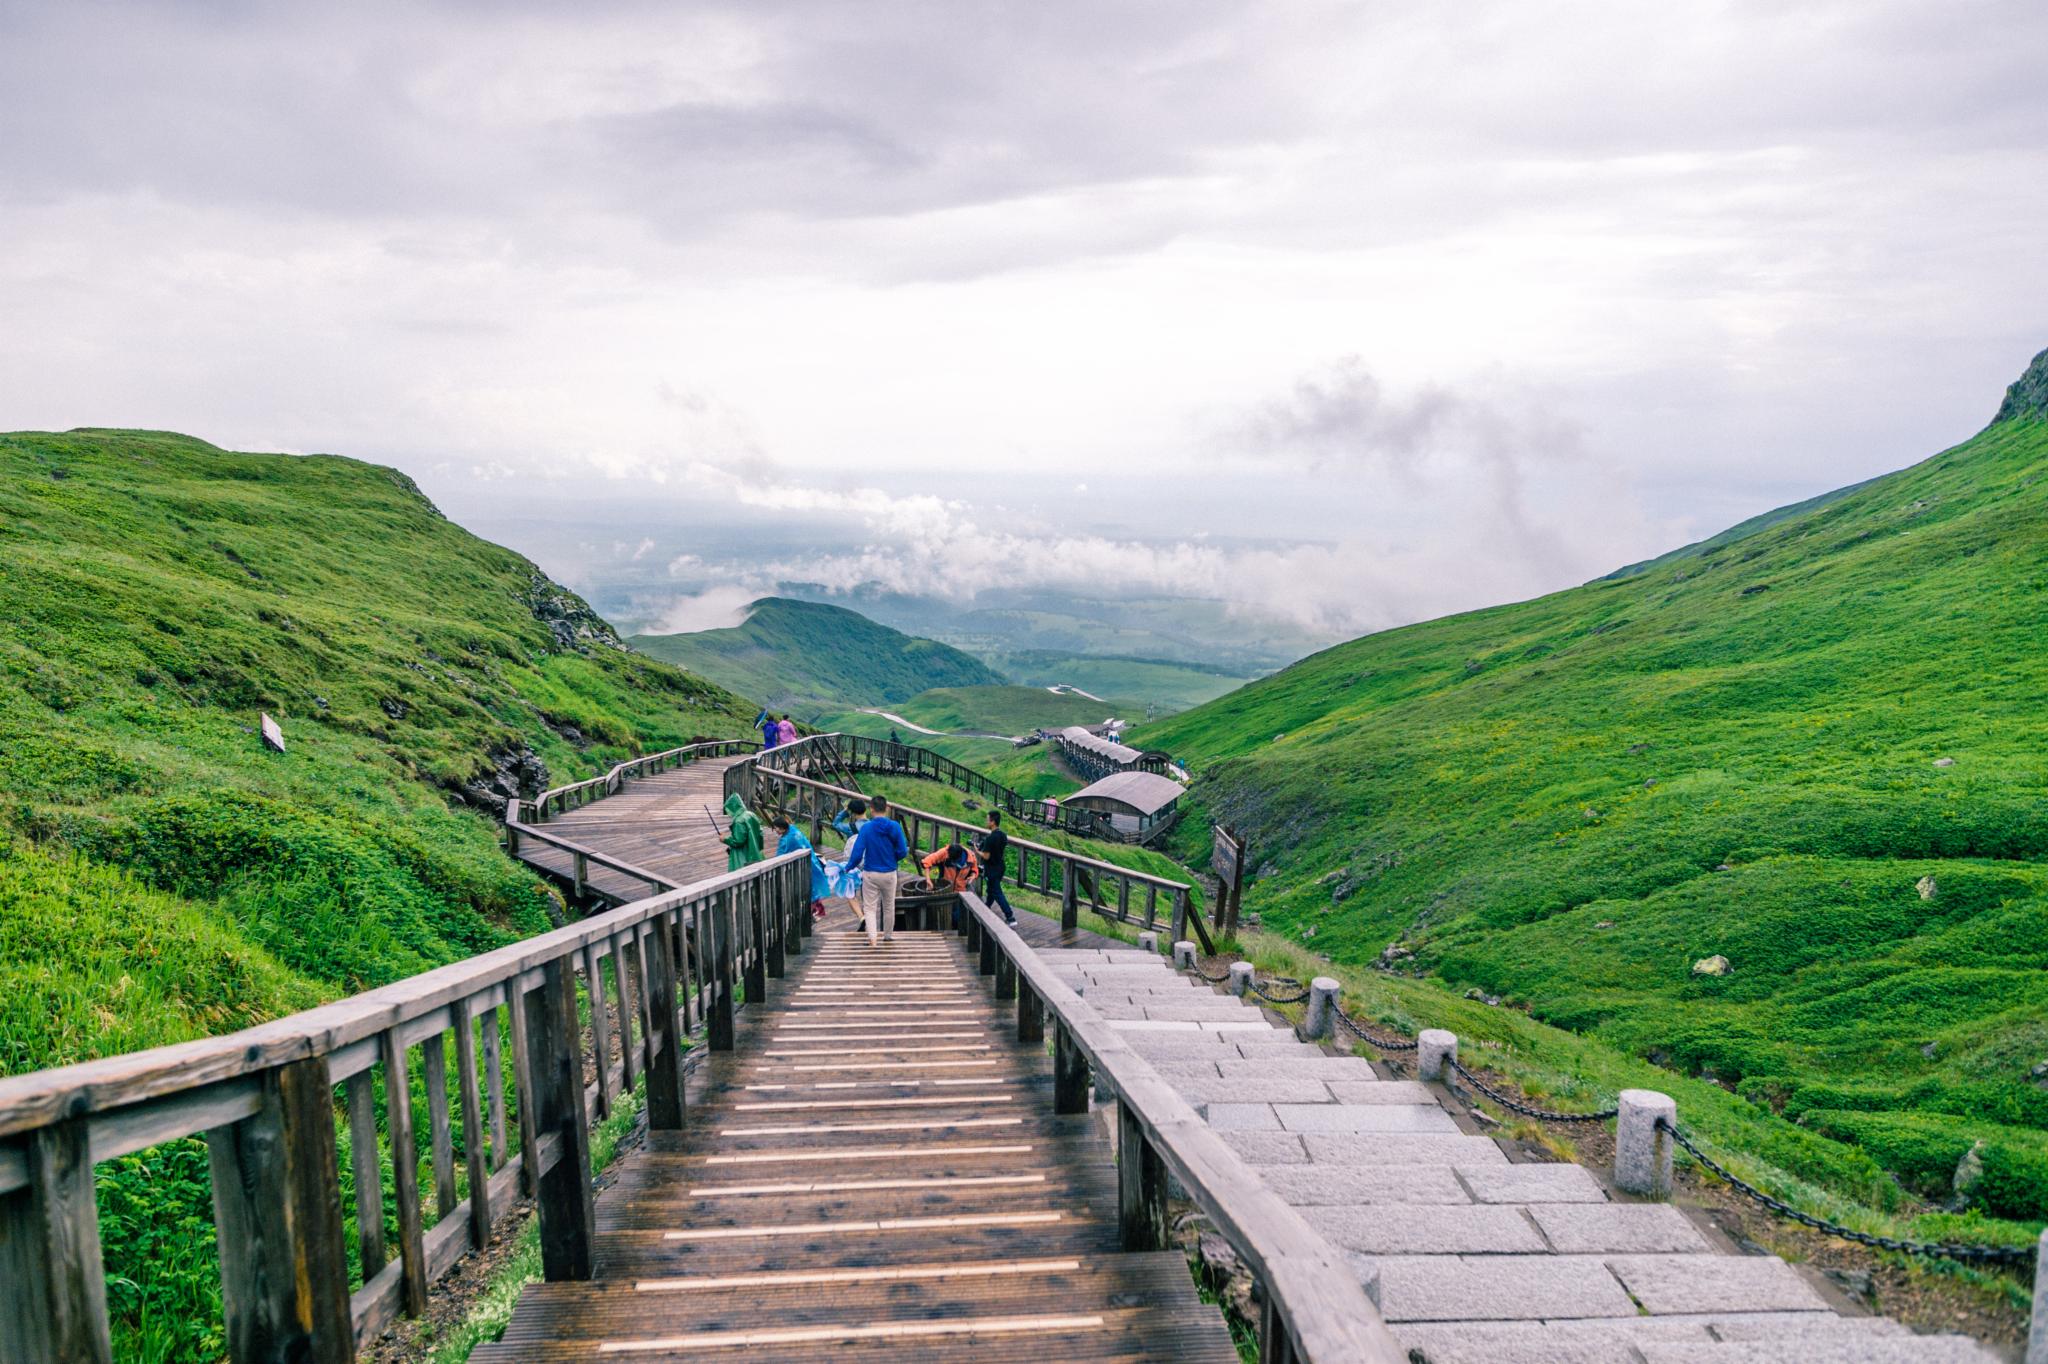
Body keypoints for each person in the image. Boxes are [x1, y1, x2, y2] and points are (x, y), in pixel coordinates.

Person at [841, 794, 908, 946]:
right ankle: (888, 936)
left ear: (871, 809)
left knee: (870, 908)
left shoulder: (866, 828)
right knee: (889, 905)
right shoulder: (895, 827)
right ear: (887, 808)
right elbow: (903, 851)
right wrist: (892, 858)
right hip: (890, 873)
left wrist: (848, 867)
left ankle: (872, 939)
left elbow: (857, 853)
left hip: (870, 873)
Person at [771, 816, 831, 920]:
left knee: (808, 888)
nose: (775, 830)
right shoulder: (793, 830)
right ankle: (815, 911)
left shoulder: (789, 839)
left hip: (803, 864)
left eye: (776, 828)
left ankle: (814, 912)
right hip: (810, 860)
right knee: (811, 886)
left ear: (782, 828)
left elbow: (781, 854)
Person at [978, 809, 1016, 924]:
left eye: (987, 819)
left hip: (991, 869)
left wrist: (977, 850)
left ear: (992, 822)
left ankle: (1010, 917)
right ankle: (986, 907)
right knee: (991, 889)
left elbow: (986, 856)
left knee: (997, 892)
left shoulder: (990, 838)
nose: (986, 821)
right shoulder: (1003, 835)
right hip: (1000, 866)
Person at [720, 792, 763, 871]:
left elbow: (738, 841)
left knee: (741, 874)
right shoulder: (751, 814)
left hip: (743, 856)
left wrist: (725, 839)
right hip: (755, 852)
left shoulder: (738, 821)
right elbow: (760, 832)